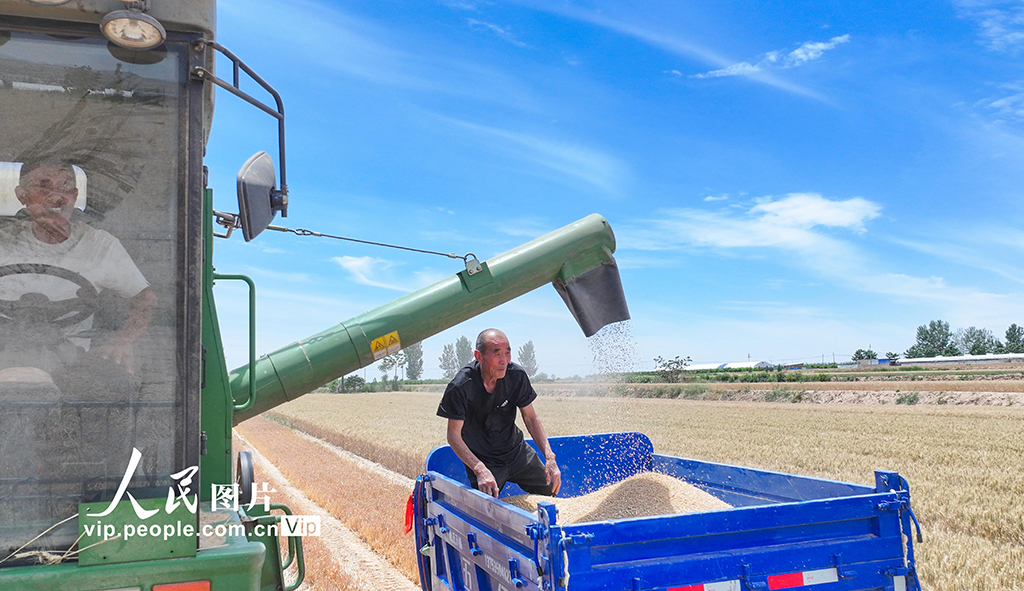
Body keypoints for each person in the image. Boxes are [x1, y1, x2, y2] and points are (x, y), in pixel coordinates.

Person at [0, 158, 156, 376]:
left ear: (74, 196)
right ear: (22, 195)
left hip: (69, 368)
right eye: (43, 185)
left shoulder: (100, 245)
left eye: (65, 187)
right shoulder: (4, 242)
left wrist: (123, 341)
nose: (56, 195)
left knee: (116, 385)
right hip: (2, 356)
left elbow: (146, 300)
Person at [437, 329, 561, 498]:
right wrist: (480, 470)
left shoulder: (516, 376)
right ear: (478, 356)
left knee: (550, 489)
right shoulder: (461, 386)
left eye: (507, 353)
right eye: (497, 354)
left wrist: (550, 457)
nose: (504, 361)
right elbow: (453, 436)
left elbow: (530, 417)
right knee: (487, 510)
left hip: (517, 452)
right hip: (484, 460)